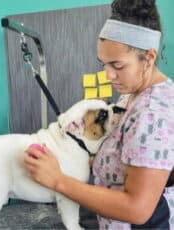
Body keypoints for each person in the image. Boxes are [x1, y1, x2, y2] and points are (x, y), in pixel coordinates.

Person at [23, 0, 174, 229]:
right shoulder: (132, 92)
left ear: (149, 58)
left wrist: (58, 180)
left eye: (117, 65)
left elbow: (137, 209)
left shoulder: (152, 115)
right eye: (103, 64)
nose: (108, 75)